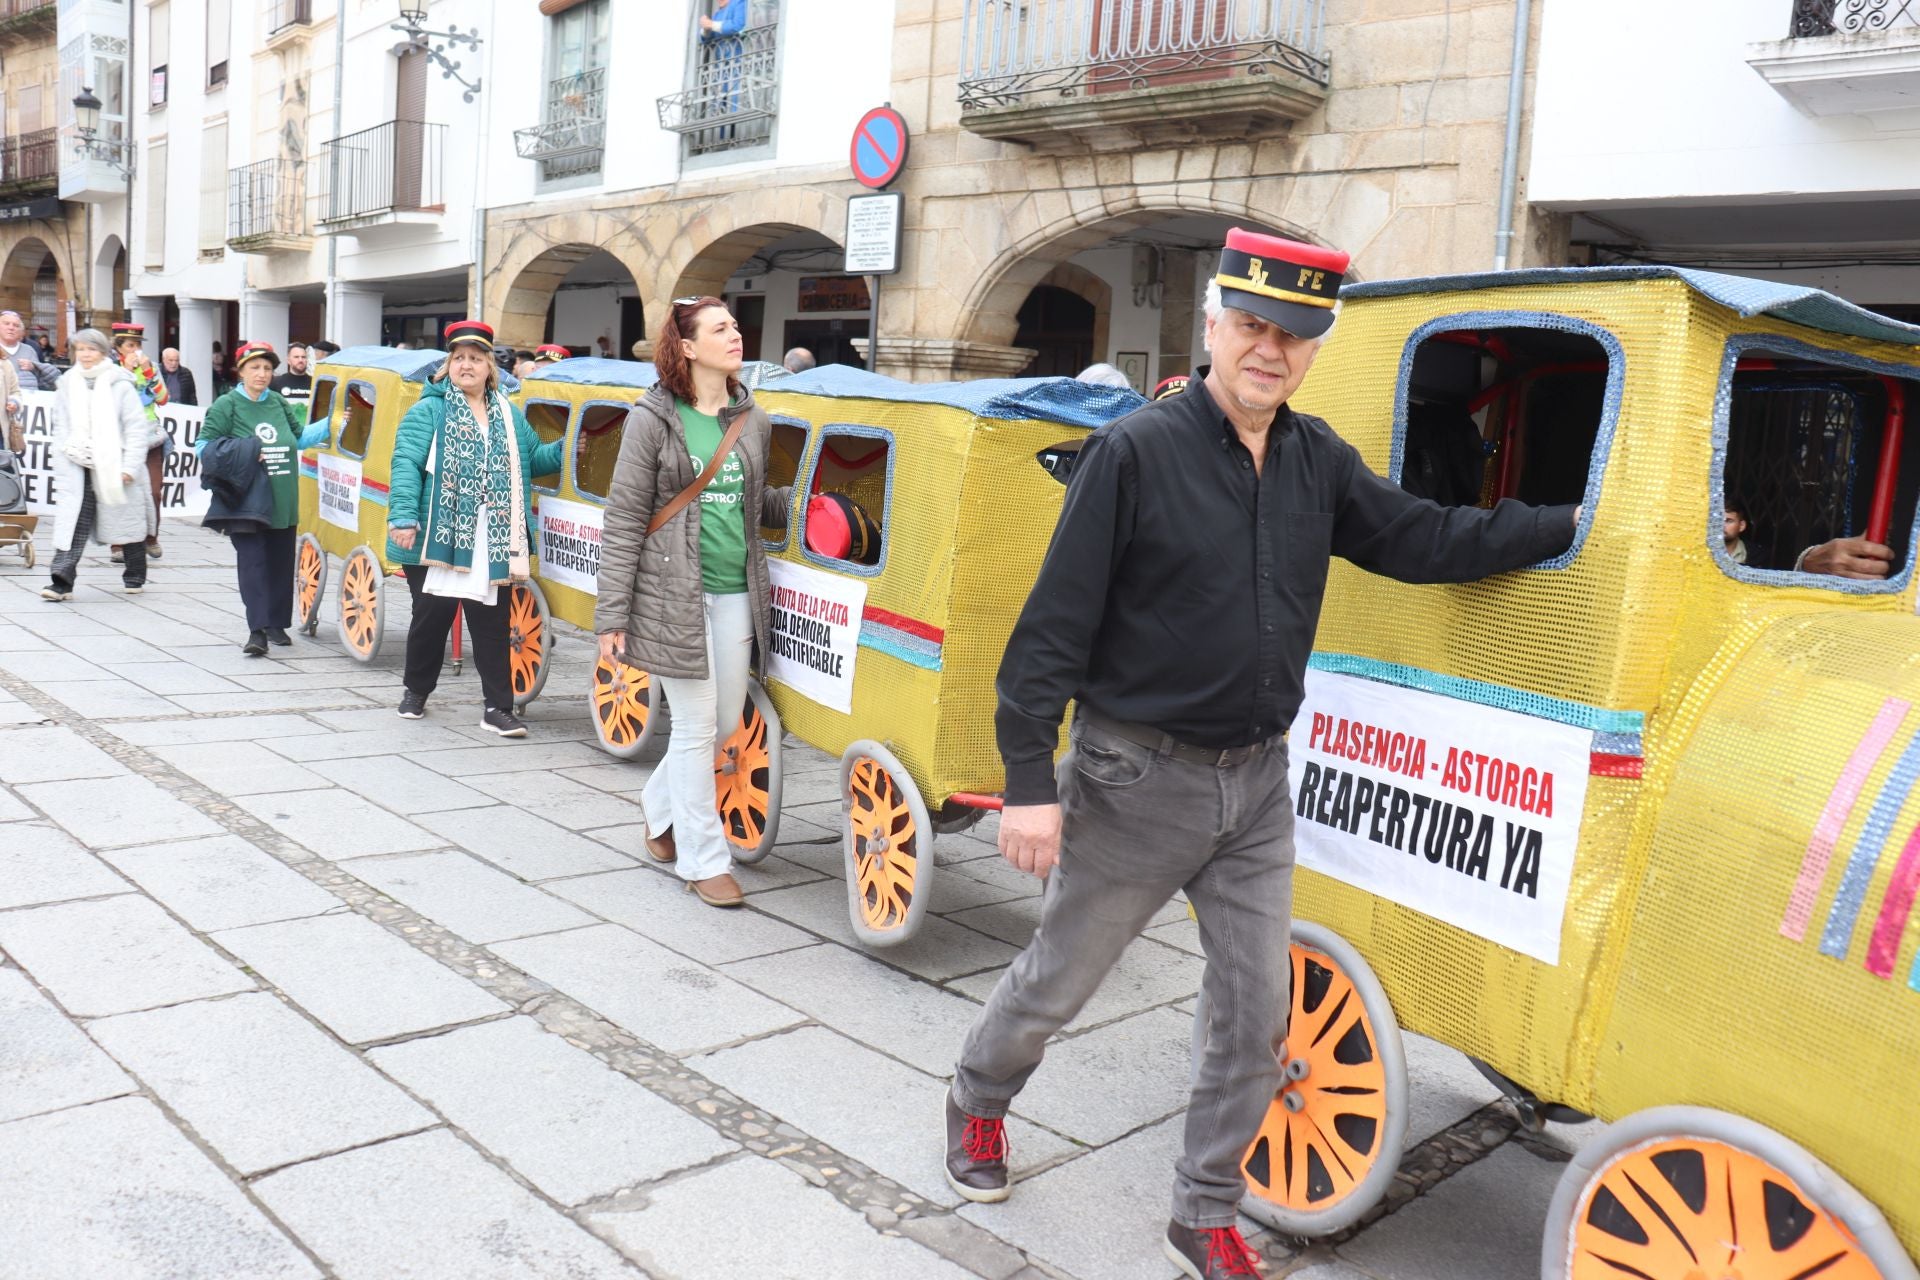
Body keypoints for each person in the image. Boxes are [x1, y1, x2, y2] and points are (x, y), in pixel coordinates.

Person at [944, 229, 1582, 1280]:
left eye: (1294, 335)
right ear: (1212, 323)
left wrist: (1574, 524)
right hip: (1130, 778)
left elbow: (1427, 539)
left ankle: (1202, 1209)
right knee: (1059, 979)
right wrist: (1026, 783)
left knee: (1258, 1011)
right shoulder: (1135, 452)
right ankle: (978, 1094)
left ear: (1314, 347)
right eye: (1253, 325)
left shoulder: (1315, 458)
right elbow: (1049, 629)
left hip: (1256, 786)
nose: (1270, 349)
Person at [595, 296, 792, 909]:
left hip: (737, 588)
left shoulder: (751, 419)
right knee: (696, 725)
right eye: (720, 329)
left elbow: (754, 503)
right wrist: (611, 614)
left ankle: (657, 810)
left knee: (728, 725)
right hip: (671, 591)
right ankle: (703, 859)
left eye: (735, 326)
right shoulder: (652, 419)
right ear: (686, 347)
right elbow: (625, 516)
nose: (735, 335)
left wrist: (819, 509)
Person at [386, 321, 565, 737]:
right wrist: (402, 518)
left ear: (490, 368)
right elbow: (406, 464)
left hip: (493, 534)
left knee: (492, 623)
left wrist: (569, 446)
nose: (467, 365)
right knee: (431, 617)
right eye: (459, 358)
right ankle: (416, 690)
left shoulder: (509, 414)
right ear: (449, 365)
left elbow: (534, 459)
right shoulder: (428, 409)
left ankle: (497, 709)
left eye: (476, 358)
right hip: (436, 533)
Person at [197, 342, 329, 655]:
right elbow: (203, 446)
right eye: (255, 367)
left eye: (268, 368)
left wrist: (335, 422)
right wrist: (241, 453)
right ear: (240, 371)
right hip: (246, 501)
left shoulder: (279, 403)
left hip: (283, 497)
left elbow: (298, 439)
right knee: (253, 564)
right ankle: (256, 630)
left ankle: (276, 624)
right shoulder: (226, 405)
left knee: (280, 565)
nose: (262, 374)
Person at [38, 330, 152, 601]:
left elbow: (136, 429)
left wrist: (129, 467)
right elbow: (61, 424)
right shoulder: (67, 383)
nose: (86, 355)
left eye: (91, 349)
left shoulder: (120, 384)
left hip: (114, 461)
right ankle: (61, 580)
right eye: (80, 350)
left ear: (103, 352)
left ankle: (135, 571)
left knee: (127, 520)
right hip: (79, 462)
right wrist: (62, 455)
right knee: (74, 521)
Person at [109, 323, 170, 564]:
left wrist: (148, 373)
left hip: (149, 437)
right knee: (120, 491)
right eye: (131, 345)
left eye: (139, 345)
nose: (136, 350)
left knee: (154, 490)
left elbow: (163, 398)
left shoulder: (151, 368)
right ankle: (119, 542)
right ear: (119, 349)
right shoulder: (111, 369)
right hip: (120, 439)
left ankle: (151, 537)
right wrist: (126, 370)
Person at [0, 311, 58, 391]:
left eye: (16, 325)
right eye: (6, 324)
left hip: (26, 399)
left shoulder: (29, 350)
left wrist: (34, 367)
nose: (11, 328)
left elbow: (42, 380)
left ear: (21, 332)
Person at [270, 342, 314, 407]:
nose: (300, 360)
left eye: (303, 357)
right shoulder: (275, 383)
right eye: (296, 357)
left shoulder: (315, 383)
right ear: (288, 360)